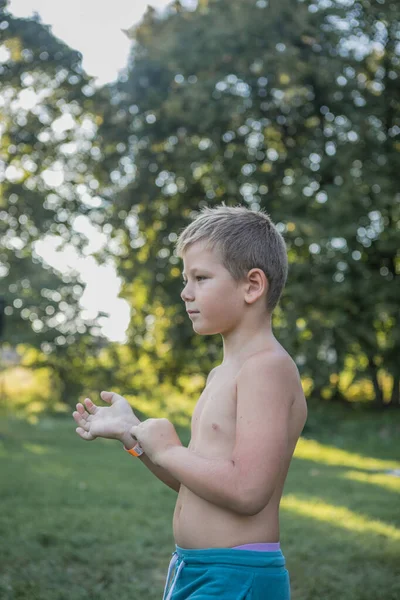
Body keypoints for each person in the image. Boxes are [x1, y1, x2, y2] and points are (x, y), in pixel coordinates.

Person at [72, 204, 308, 600]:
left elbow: (248, 492)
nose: (186, 292)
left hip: (237, 575)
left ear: (252, 286)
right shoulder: (223, 373)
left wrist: (166, 447)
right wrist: (136, 440)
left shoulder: (267, 368)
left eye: (201, 278)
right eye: (186, 278)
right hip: (193, 567)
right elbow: (195, 485)